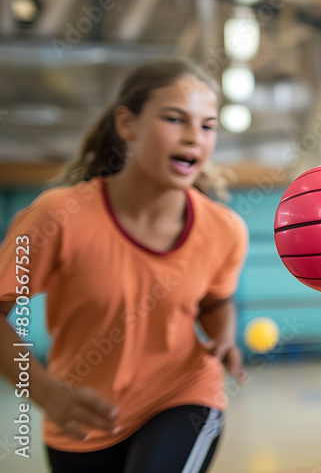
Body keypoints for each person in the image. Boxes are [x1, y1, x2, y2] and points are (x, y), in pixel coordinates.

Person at [0, 60, 249, 473]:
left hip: (182, 395)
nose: (194, 136)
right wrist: (46, 393)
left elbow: (216, 300)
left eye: (208, 126)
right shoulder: (57, 217)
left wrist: (223, 336)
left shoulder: (225, 229)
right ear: (127, 124)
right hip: (80, 418)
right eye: (175, 119)